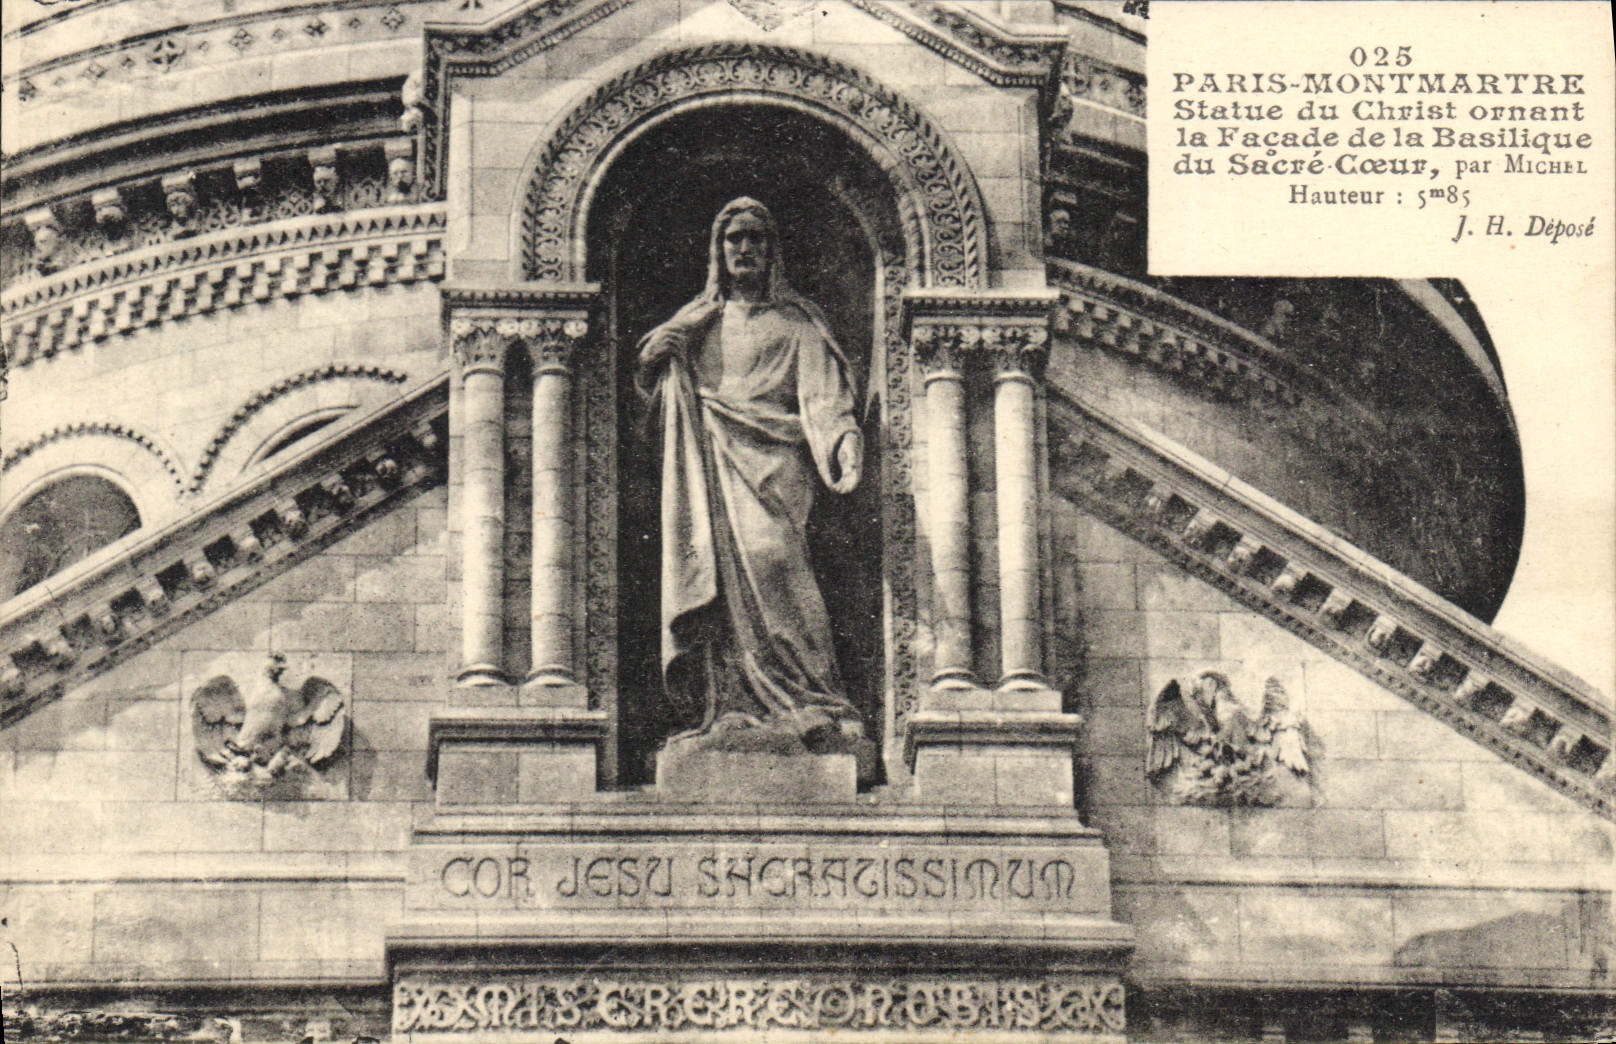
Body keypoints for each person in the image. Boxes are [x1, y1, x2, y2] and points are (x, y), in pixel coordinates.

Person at [636, 197, 873, 773]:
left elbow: (824, 400)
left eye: (756, 239)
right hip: (709, 464)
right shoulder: (697, 324)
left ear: (773, 252)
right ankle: (730, 708)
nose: (745, 249)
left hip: (777, 471)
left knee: (774, 563)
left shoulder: (796, 325)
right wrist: (655, 359)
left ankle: (812, 697)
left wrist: (844, 440)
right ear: (717, 252)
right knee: (714, 582)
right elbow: (653, 400)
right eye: (734, 239)